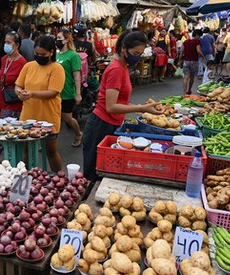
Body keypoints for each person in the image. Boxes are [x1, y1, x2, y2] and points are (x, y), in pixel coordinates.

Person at [82, 31, 163, 182]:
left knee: (104, 171)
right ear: (124, 48)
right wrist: (141, 108)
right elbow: (111, 107)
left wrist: (142, 107)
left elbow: (121, 103)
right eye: (135, 53)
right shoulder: (116, 69)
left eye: (140, 53)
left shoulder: (123, 67)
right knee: (93, 174)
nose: (137, 57)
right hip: (101, 125)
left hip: (110, 124)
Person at [15, 36, 65, 172]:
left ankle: (58, 178)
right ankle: (26, 177)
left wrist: (31, 94)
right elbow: (18, 85)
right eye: (36, 54)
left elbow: (53, 92)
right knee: (26, 150)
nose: (39, 56)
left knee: (51, 152)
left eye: (42, 54)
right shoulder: (28, 66)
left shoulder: (57, 69)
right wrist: (19, 93)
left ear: (51, 52)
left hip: (48, 118)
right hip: (28, 116)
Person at [56, 29, 83, 148]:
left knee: (67, 117)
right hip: (54, 92)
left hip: (67, 92)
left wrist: (78, 93)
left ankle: (78, 133)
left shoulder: (73, 55)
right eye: (56, 38)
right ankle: (50, 141)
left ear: (67, 40)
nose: (57, 41)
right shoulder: (55, 54)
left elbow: (77, 76)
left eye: (59, 38)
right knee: (53, 117)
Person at [0, 32, 27, 118]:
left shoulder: (22, 62)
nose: (6, 45)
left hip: (13, 101)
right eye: (5, 42)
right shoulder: (4, 59)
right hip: (2, 100)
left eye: (9, 42)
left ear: (17, 45)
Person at [179, 29, 205, 95]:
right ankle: (189, 90)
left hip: (186, 61)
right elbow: (198, 51)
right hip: (194, 61)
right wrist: (203, 56)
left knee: (186, 77)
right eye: (199, 36)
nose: (199, 38)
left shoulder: (185, 42)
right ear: (196, 35)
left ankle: (184, 93)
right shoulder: (197, 42)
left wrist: (180, 61)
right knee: (192, 77)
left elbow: (181, 53)